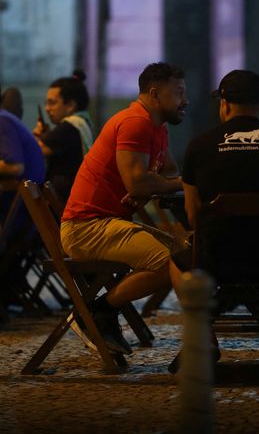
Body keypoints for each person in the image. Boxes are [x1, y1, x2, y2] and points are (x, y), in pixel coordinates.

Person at [172, 69, 259, 368]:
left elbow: (194, 215)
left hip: (215, 259)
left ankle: (204, 337)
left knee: (175, 253)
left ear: (225, 104)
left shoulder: (199, 146)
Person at [60, 62, 187, 354]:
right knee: (174, 261)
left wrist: (157, 183)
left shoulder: (157, 127)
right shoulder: (136, 122)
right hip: (86, 228)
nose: (186, 101)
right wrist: (177, 183)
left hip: (106, 222)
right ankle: (97, 311)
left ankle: (103, 313)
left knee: (185, 255)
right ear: (155, 94)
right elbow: (141, 184)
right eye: (179, 93)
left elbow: (166, 173)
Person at [33, 69, 94, 200]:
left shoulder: (70, 125)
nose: (47, 108)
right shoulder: (82, 122)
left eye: (52, 102)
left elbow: (36, 151)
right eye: (46, 103)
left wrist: (37, 136)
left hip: (64, 199)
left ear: (70, 105)